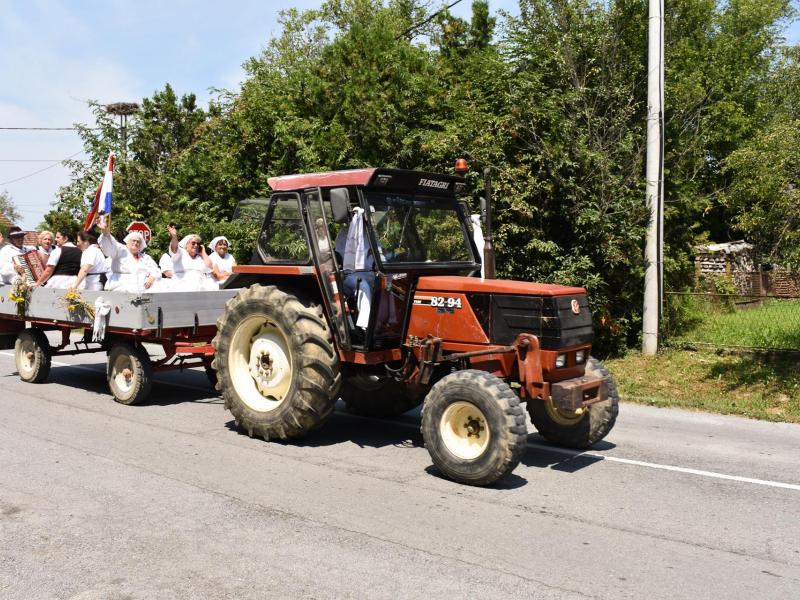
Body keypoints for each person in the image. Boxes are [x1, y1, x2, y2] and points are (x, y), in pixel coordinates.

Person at [98, 223, 161, 292]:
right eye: (133, 240)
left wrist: (152, 277)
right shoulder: (120, 250)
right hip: (121, 288)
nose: (135, 243)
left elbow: (156, 270)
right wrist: (105, 232)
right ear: (127, 241)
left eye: (138, 242)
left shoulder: (145, 257)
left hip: (143, 291)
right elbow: (109, 246)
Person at [166, 225, 216, 291]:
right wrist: (174, 236)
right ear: (186, 245)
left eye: (198, 244)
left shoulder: (199, 258)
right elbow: (174, 248)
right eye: (193, 243)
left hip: (200, 287)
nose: (196, 245)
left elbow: (209, 268)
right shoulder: (180, 253)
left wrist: (203, 252)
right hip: (182, 286)